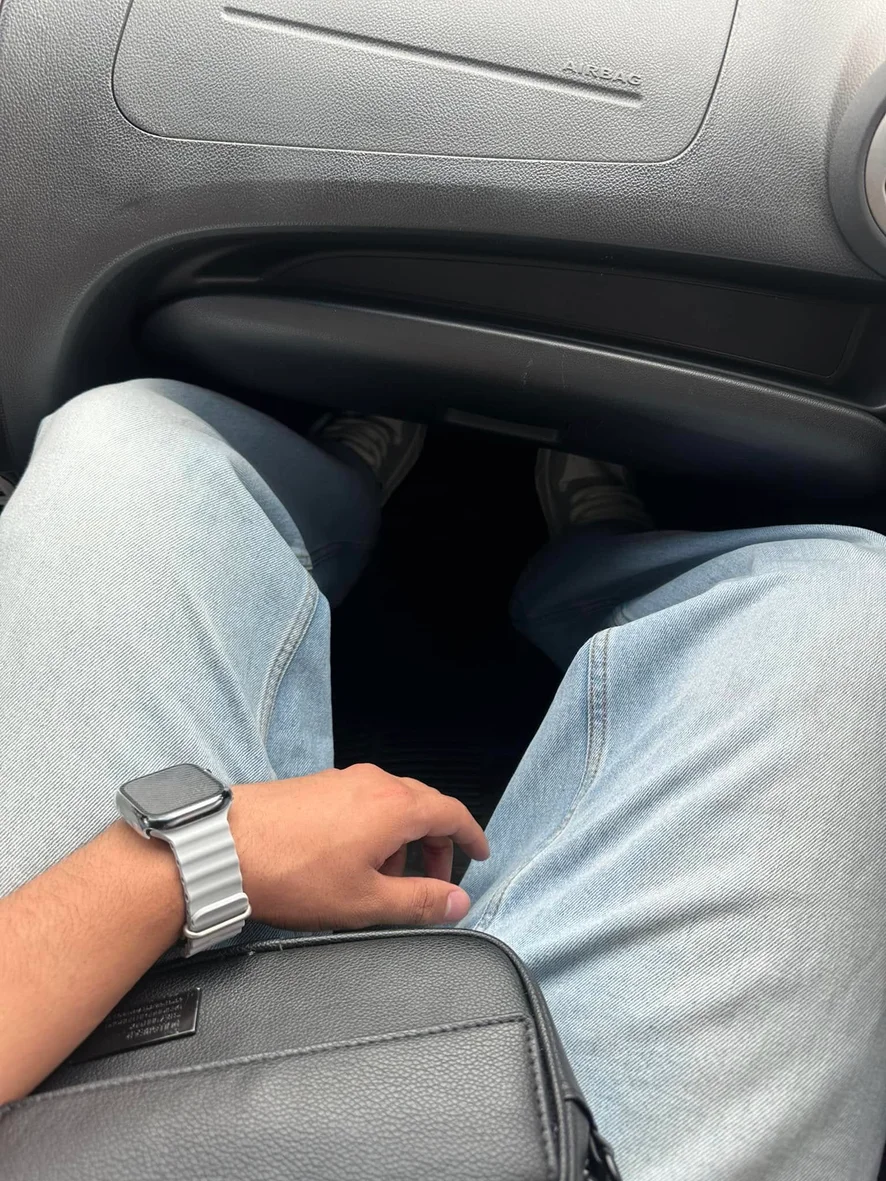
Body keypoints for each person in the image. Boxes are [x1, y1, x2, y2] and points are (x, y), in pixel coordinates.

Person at [1, 378, 886, 1181]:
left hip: (58, 1103)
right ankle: (592, 548)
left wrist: (192, 861)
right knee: (841, 611)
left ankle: (344, 490)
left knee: (127, 443)